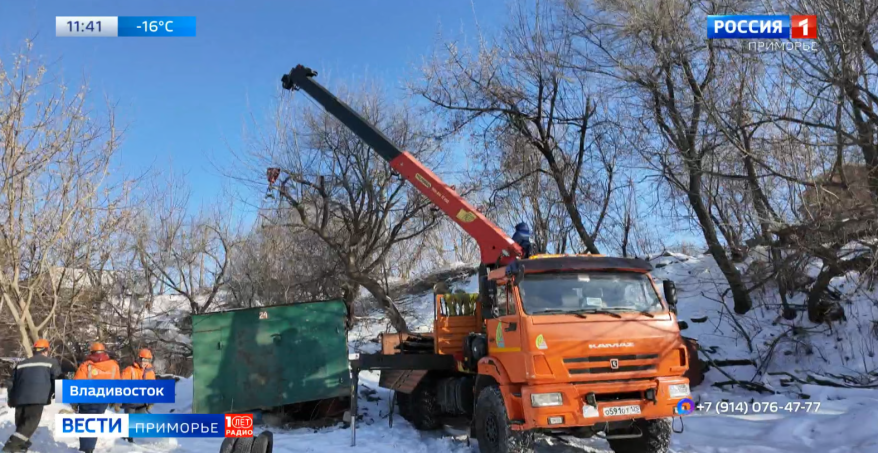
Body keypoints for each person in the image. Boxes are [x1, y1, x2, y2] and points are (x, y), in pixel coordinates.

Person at [2, 339, 62, 453]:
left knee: (21, 424)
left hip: (19, 398)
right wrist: (58, 393)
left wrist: (11, 398)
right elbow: (57, 378)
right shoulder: (51, 362)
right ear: (46, 351)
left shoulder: (21, 364)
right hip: (37, 398)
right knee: (30, 423)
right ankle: (12, 444)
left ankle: (21, 446)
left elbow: (10, 382)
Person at [73, 342, 120, 453]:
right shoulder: (114, 366)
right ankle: (89, 448)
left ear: (92, 352)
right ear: (104, 352)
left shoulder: (87, 365)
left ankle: (86, 449)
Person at [120, 349, 156, 443]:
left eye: (148, 360)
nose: (145, 363)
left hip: (142, 402)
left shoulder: (150, 372)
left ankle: (128, 437)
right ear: (139, 359)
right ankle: (126, 440)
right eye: (144, 360)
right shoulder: (129, 370)